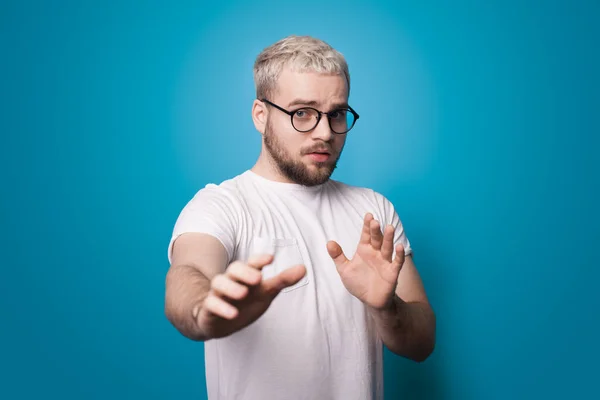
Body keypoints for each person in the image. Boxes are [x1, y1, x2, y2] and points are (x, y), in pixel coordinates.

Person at [164, 35, 436, 400]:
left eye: (337, 113)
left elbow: (421, 344)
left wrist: (385, 308)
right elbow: (188, 273)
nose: (325, 133)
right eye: (302, 113)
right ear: (261, 116)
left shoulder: (374, 209)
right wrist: (204, 309)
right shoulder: (221, 205)